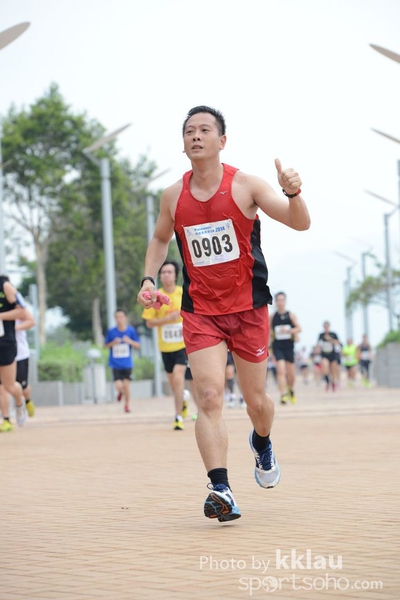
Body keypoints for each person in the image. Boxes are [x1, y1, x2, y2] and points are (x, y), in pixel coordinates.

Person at [137, 105, 310, 522]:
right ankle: (221, 489)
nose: (196, 136)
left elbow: (299, 223)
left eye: (204, 130)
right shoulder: (173, 195)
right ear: (183, 143)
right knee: (210, 396)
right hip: (201, 311)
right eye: (189, 131)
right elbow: (160, 239)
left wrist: (293, 193)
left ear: (222, 140)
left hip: (248, 309)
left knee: (257, 402)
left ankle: (262, 442)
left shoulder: (246, 186)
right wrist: (147, 280)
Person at [142, 260, 189, 430]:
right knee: (174, 385)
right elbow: (149, 323)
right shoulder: (156, 296)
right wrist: (167, 319)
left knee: (178, 376)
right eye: (163, 272)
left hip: (183, 345)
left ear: (176, 275)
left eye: (169, 272)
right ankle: (183, 399)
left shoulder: (183, 293)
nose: (166, 275)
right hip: (165, 347)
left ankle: (178, 417)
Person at [0, 275, 28, 431]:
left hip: (5, 343)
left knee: (9, 386)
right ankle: (6, 419)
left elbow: (22, 312)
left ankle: (19, 401)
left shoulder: (6, 287)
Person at [0, 309, 36, 428]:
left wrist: (15, 328)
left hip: (19, 354)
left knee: (22, 387)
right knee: (2, 387)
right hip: (3, 352)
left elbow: (31, 321)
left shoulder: (15, 305)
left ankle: (24, 401)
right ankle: (6, 419)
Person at [104, 309, 141, 413]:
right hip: (115, 364)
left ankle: (127, 405)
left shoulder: (131, 331)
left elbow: (138, 345)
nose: (119, 319)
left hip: (127, 364)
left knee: (126, 386)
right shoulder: (111, 332)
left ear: (125, 318)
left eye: (121, 317)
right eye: (117, 317)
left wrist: (129, 341)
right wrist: (113, 343)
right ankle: (120, 392)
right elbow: (106, 345)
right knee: (119, 386)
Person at [270, 291, 302, 404]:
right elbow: (268, 331)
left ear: (285, 301)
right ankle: (283, 394)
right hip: (277, 346)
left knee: (291, 373)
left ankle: (291, 389)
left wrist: (289, 331)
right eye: (278, 300)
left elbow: (299, 328)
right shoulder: (272, 317)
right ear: (275, 302)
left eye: (282, 300)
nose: (280, 302)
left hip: (289, 346)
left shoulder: (291, 315)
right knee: (281, 370)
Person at [317, 321, 341, 391]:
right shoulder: (321, 335)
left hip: (332, 354)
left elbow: (338, 342)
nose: (326, 327)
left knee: (333, 370)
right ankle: (327, 381)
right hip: (324, 354)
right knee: (325, 367)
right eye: (325, 326)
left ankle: (333, 383)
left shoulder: (333, 334)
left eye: (327, 326)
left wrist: (330, 339)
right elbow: (318, 344)